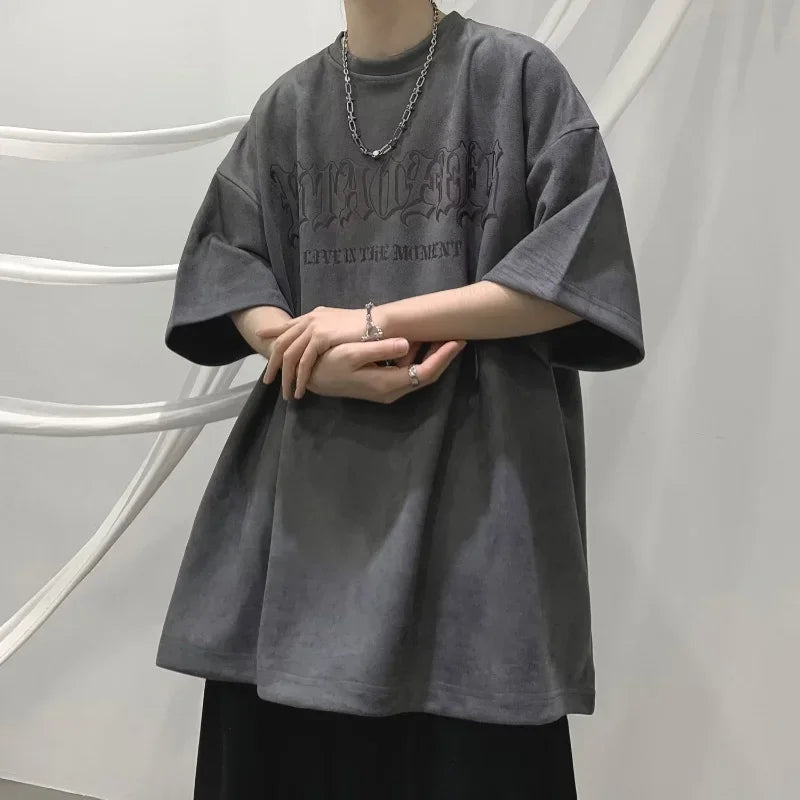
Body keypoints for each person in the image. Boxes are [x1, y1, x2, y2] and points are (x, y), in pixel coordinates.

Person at [156, 1, 646, 797]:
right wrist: (298, 350)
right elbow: (228, 262)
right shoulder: (289, 105)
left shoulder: (516, 78)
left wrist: (377, 321)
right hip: (303, 536)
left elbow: (579, 269)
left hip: (477, 531)